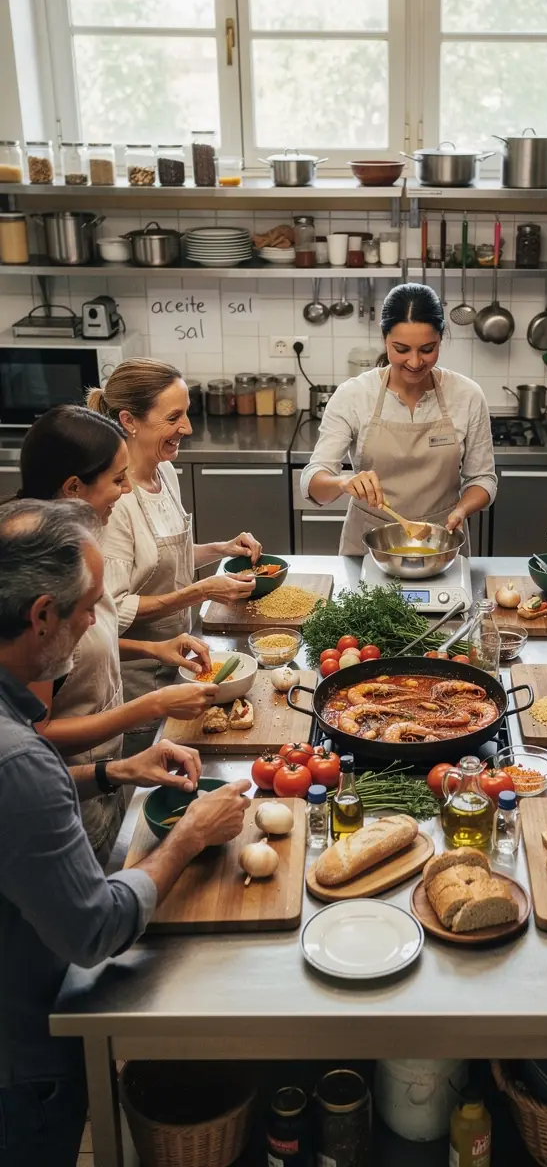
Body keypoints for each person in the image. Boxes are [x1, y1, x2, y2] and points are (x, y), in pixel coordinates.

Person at [0, 498, 251, 1167]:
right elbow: (95, 930)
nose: (93, 625)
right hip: (21, 1060)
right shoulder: (20, 758)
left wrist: (113, 771)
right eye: (87, 611)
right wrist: (190, 836)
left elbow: (13, 810)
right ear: (41, 616)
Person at [17, 405, 220, 863]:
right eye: (117, 480)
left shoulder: (77, 542)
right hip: (64, 797)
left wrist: (151, 647)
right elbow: (37, 736)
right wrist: (149, 706)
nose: (127, 490)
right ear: (73, 488)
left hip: (105, 775)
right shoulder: (43, 575)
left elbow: (84, 652)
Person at [87, 358, 262, 731]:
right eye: (173, 418)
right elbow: (113, 612)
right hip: (139, 682)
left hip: (182, 660)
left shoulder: (164, 471)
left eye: (186, 414)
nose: (187, 427)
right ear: (128, 421)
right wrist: (199, 592)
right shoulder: (115, 503)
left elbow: (161, 562)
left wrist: (220, 549)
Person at [300, 283, 496, 555]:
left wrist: (461, 510)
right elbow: (312, 481)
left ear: (441, 338)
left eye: (427, 349)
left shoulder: (467, 395)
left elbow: (483, 480)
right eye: (401, 349)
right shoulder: (354, 395)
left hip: (442, 542)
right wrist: (343, 482)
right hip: (369, 546)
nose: (415, 362)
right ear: (384, 338)